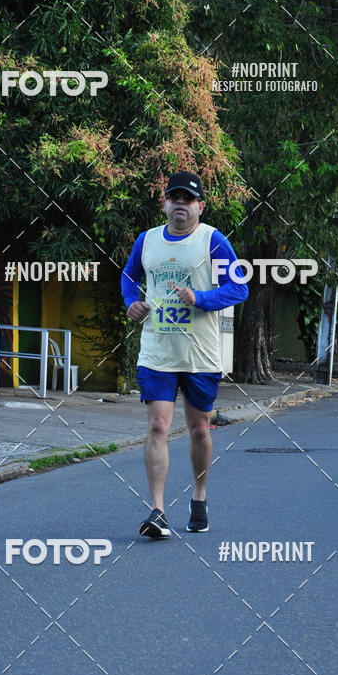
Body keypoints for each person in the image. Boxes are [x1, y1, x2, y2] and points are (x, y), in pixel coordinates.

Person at [121, 171, 248, 537]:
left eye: (188, 199)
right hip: (157, 350)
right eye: (174, 197)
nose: (180, 203)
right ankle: (158, 511)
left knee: (198, 429)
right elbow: (129, 277)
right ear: (164, 203)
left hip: (200, 355)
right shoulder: (146, 241)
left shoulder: (213, 241)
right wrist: (132, 302)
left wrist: (201, 299)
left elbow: (239, 288)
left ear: (200, 206)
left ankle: (199, 495)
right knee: (158, 425)